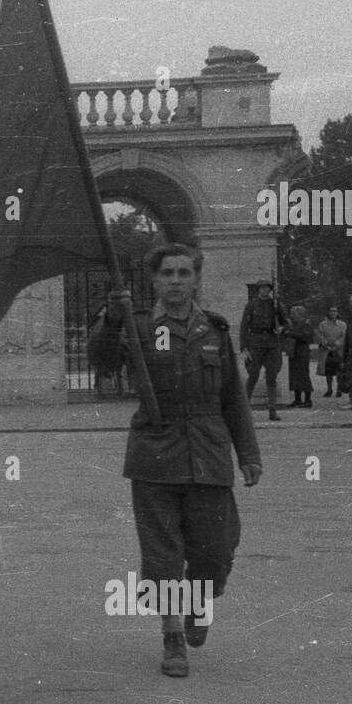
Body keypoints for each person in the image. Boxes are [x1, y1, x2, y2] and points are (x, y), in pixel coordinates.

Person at [91, 243, 261, 678]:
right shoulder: (138, 326)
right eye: (167, 273)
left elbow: (233, 399)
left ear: (196, 279)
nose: (176, 281)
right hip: (154, 455)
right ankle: (172, 637)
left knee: (216, 551)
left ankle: (199, 602)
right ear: (154, 280)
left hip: (208, 452)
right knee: (163, 556)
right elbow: (102, 363)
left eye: (185, 273)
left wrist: (248, 454)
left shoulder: (216, 331)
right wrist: (112, 319)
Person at [240, 280, 288, 421]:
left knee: (271, 377)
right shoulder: (251, 305)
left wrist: (281, 328)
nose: (264, 290)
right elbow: (244, 326)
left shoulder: (276, 305)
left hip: (272, 344)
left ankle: (272, 409)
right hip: (255, 343)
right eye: (261, 288)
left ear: (270, 290)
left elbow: (286, 322)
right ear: (258, 290)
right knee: (253, 375)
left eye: (267, 288)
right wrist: (244, 347)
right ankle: (245, 409)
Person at [285, 305, 314, 407]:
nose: (292, 316)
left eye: (294, 314)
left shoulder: (306, 324)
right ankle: (297, 399)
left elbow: (306, 337)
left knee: (303, 375)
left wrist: (291, 333)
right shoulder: (294, 325)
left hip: (302, 352)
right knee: (294, 376)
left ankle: (308, 399)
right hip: (294, 352)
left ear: (300, 314)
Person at [316, 306, 345, 398]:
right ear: (328, 312)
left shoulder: (342, 324)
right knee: (329, 371)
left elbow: (343, 336)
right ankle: (329, 389)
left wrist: (337, 345)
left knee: (339, 371)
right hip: (327, 351)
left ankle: (339, 389)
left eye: (335, 311)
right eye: (331, 311)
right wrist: (326, 345)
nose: (333, 313)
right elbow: (321, 336)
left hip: (339, 351)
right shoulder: (323, 324)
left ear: (337, 313)